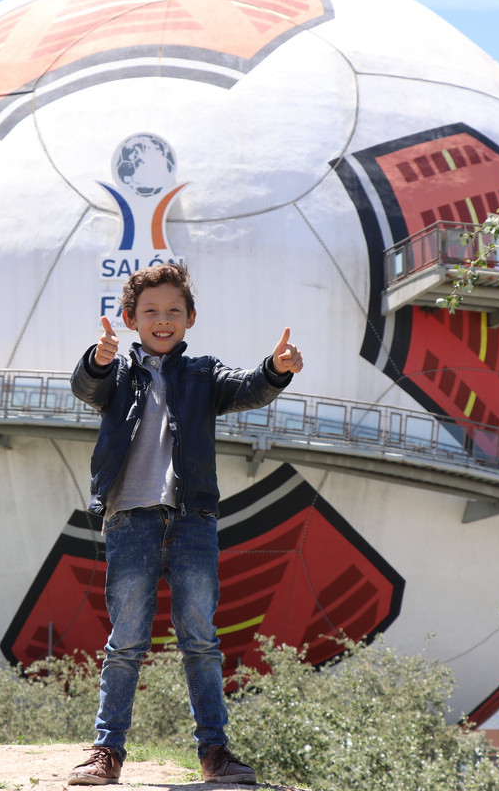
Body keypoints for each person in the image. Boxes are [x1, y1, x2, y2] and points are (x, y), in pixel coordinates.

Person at [67, 262, 303, 785]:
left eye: (174, 310)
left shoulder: (202, 375)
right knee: (126, 641)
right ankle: (107, 753)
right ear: (130, 319)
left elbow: (247, 389)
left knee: (201, 639)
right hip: (130, 519)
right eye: (150, 311)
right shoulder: (119, 374)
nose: (163, 319)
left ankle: (214, 754)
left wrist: (275, 369)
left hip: (193, 520)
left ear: (191, 318)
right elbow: (86, 386)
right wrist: (98, 360)